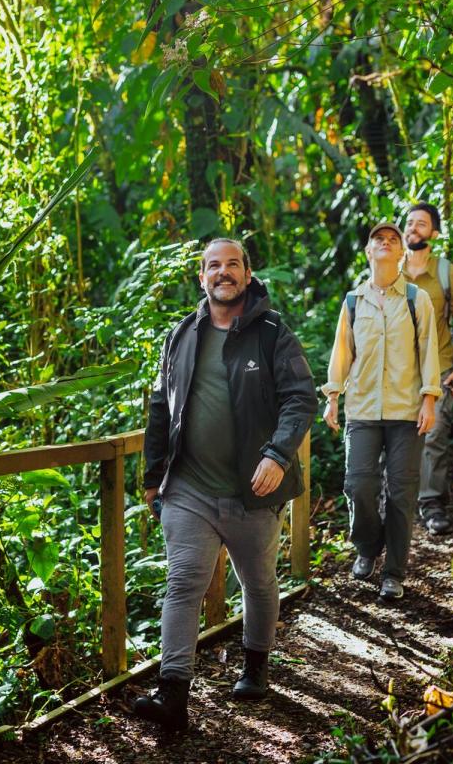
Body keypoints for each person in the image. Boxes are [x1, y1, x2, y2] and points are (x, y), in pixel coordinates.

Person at [135, 238, 317, 731]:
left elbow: (301, 398)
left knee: (257, 583)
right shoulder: (181, 335)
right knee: (183, 581)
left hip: (251, 491)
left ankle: (255, 665)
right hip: (189, 487)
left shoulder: (272, 332)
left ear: (247, 272)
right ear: (202, 278)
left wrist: (278, 455)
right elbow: (160, 408)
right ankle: (173, 693)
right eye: (213, 266)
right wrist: (154, 478)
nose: (223, 272)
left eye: (232, 264)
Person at [323, 222, 441, 600]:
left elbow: (428, 351)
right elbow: (342, 353)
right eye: (379, 240)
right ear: (369, 253)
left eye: (393, 240)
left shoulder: (415, 298)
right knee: (359, 485)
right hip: (362, 410)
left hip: (406, 412)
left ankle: (394, 572)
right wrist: (332, 397)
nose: (386, 244)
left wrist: (429, 399)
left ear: (402, 253)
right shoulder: (354, 301)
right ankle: (368, 546)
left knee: (402, 494)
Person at [402, 202, 453, 535]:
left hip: (439, 367)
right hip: (396, 373)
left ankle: (432, 505)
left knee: (434, 436)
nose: (414, 228)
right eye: (410, 222)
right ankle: (395, 506)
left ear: (434, 233)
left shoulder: (449, 274)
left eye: (422, 224)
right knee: (396, 437)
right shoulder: (387, 270)